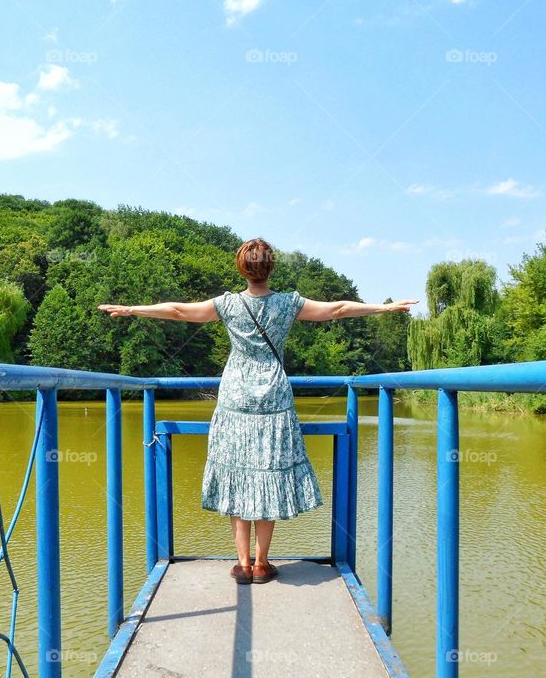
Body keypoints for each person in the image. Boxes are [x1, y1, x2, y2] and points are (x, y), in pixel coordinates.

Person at [98, 237, 418, 585]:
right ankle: (263, 563)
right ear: (271, 268)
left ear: (242, 269)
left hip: (235, 398)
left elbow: (178, 311)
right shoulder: (287, 304)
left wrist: (132, 309)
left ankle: (243, 564)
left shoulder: (228, 305)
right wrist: (385, 308)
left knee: (239, 474)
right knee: (267, 473)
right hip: (275, 398)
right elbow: (337, 310)